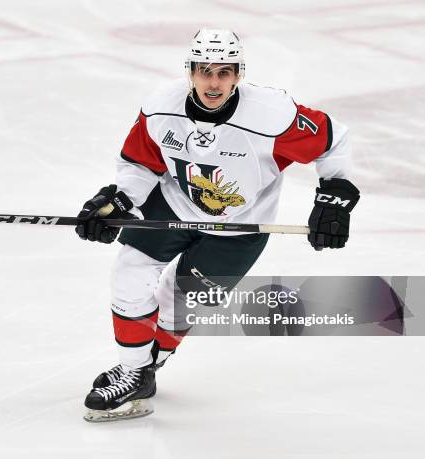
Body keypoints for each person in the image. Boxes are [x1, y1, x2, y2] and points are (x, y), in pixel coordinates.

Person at [76, 29, 360, 422]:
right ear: (189, 71)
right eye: (204, 71)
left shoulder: (272, 115)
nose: (213, 82)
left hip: (239, 225)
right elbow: (141, 163)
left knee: (185, 299)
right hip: (171, 205)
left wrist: (334, 200)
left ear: (238, 74)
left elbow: (334, 141)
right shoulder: (161, 106)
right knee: (130, 271)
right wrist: (119, 200)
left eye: (224, 72)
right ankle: (132, 370)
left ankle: (151, 359)